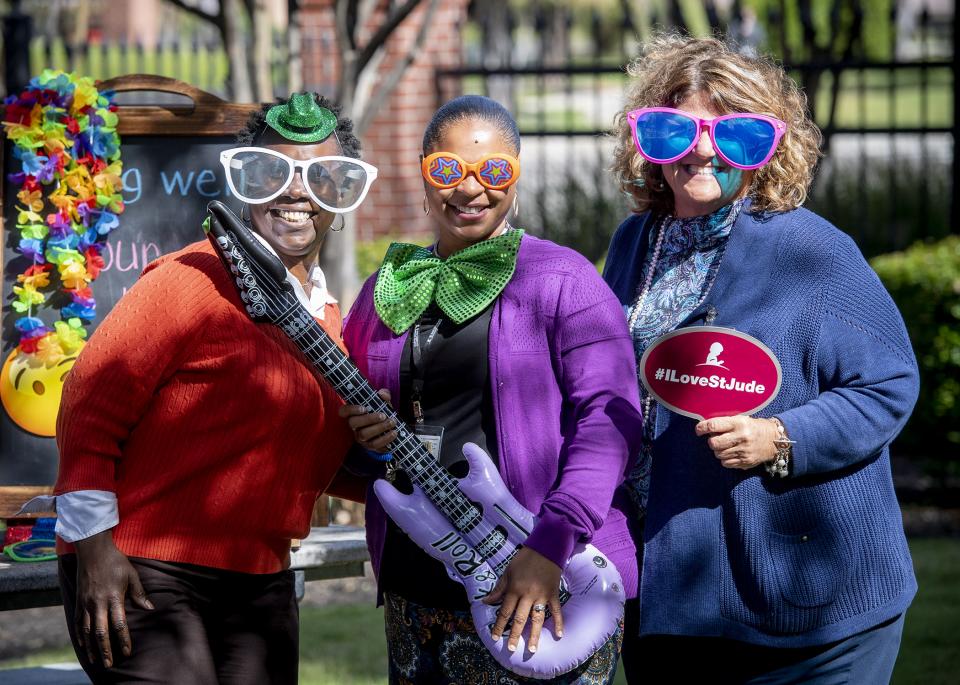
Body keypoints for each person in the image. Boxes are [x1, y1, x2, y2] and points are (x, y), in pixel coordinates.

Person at [28, 92, 376, 684]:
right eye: (274, 173)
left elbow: (303, 460)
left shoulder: (329, 323)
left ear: (338, 199)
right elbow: (90, 402)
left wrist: (383, 451)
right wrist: (95, 549)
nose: (296, 194)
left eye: (320, 177)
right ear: (246, 185)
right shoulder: (191, 279)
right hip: (144, 568)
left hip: (258, 580)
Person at [603, 34, 920, 683]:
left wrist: (779, 436)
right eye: (677, 128)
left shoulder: (813, 250)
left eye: (729, 131)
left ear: (765, 144)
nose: (700, 148)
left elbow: (888, 381)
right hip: (669, 594)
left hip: (806, 609)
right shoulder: (635, 241)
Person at [336, 95, 644, 684]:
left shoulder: (562, 281)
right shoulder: (384, 291)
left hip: (540, 581)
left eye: (493, 170)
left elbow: (610, 420)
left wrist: (548, 548)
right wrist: (369, 442)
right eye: (447, 170)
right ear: (424, 176)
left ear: (517, 179)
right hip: (416, 590)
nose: (470, 188)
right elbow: (354, 434)